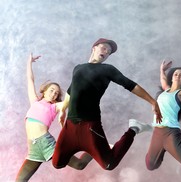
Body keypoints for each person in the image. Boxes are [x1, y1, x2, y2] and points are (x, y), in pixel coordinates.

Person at [52, 38, 162, 171]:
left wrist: (152, 101)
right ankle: (96, 148)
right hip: (70, 127)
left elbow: (131, 85)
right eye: (104, 48)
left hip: (90, 127)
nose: (106, 52)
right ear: (94, 48)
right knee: (57, 163)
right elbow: (71, 90)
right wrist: (63, 108)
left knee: (109, 164)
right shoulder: (78, 68)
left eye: (109, 52)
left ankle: (134, 129)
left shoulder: (107, 69)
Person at [16, 54, 93, 182]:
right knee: (20, 181)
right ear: (43, 91)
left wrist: (84, 71)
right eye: (51, 90)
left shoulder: (56, 107)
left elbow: (71, 96)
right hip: (34, 148)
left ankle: (96, 148)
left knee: (79, 165)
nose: (53, 94)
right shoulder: (34, 102)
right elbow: (30, 79)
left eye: (56, 93)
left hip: (46, 143)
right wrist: (29, 62)